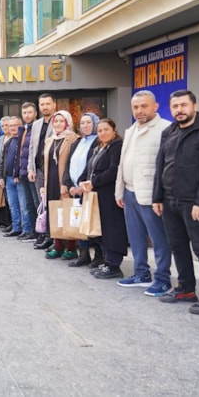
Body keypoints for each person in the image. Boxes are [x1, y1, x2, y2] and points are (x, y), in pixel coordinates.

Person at [153, 90, 199, 314]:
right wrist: (157, 197)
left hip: (193, 203)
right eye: (175, 106)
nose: (179, 110)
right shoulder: (169, 132)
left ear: (194, 105)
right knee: (178, 246)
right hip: (169, 200)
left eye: (183, 105)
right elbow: (160, 166)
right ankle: (185, 288)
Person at [114, 90, 173, 295]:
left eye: (144, 106)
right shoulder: (131, 130)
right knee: (136, 237)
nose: (139, 111)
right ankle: (141, 273)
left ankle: (163, 279)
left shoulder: (165, 129)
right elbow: (123, 163)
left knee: (158, 239)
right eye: (136, 107)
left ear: (155, 107)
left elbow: (168, 166)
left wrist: (161, 196)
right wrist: (119, 191)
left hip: (150, 195)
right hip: (129, 192)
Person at [79, 119, 127, 278]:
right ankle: (107, 262)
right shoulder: (98, 148)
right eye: (100, 131)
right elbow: (88, 168)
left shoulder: (117, 147)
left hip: (110, 194)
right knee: (103, 229)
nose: (103, 133)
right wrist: (82, 180)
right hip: (97, 195)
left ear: (114, 130)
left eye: (106, 129)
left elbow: (114, 170)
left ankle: (114, 266)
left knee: (112, 229)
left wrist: (93, 182)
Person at [62, 113, 100, 267]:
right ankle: (83, 254)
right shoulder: (77, 142)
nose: (85, 125)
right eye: (83, 123)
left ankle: (99, 256)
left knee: (92, 223)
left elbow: (91, 166)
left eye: (88, 122)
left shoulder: (98, 141)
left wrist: (81, 186)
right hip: (74, 189)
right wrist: (68, 184)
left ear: (95, 123)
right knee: (78, 222)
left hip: (88, 189)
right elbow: (68, 164)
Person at [41, 110, 78, 259]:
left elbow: (71, 163)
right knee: (55, 212)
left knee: (67, 212)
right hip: (50, 181)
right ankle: (57, 245)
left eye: (61, 121)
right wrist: (44, 184)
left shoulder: (73, 138)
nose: (58, 124)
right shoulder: (50, 139)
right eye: (55, 121)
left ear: (67, 122)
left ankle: (71, 247)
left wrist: (65, 183)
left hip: (64, 181)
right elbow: (46, 164)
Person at [29, 94, 56, 249]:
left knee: (52, 203)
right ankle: (44, 234)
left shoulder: (59, 122)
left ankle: (53, 237)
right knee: (41, 204)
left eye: (48, 104)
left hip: (52, 171)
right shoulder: (37, 124)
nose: (45, 107)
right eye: (42, 104)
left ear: (54, 105)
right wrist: (30, 168)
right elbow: (32, 147)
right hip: (38, 170)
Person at [17, 103, 39, 242]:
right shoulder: (24, 129)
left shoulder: (37, 128)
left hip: (34, 172)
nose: (27, 115)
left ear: (35, 113)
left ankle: (41, 233)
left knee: (38, 204)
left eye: (29, 112)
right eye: (24, 113)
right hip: (24, 172)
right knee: (29, 205)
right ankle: (32, 232)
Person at [0, 117, 25, 237]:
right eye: (11, 126)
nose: (13, 128)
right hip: (8, 178)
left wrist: (19, 174)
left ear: (21, 125)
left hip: (20, 178)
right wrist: (1, 176)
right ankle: (16, 227)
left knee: (24, 206)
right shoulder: (9, 142)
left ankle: (27, 230)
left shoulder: (25, 140)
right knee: (13, 205)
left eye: (15, 125)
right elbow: (2, 161)